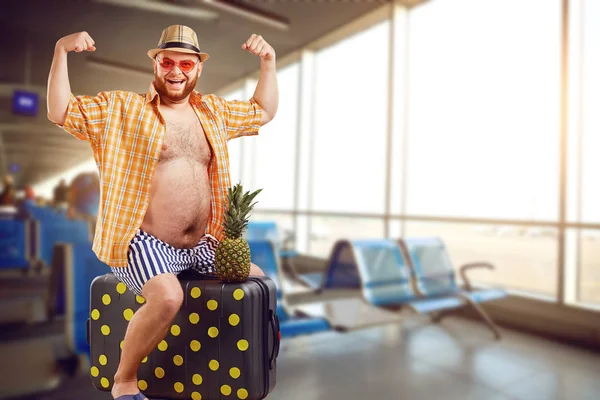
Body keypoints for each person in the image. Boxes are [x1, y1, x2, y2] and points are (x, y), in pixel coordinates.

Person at [46, 25, 278, 400]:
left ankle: (216, 367)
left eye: (185, 63)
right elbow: (61, 111)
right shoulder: (124, 108)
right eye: (167, 61)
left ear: (197, 69)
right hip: (144, 241)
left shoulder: (213, 112)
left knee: (257, 279)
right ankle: (124, 380)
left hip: (200, 244)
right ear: (156, 64)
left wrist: (268, 61)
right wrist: (60, 50)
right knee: (169, 297)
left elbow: (263, 111)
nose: (176, 71)